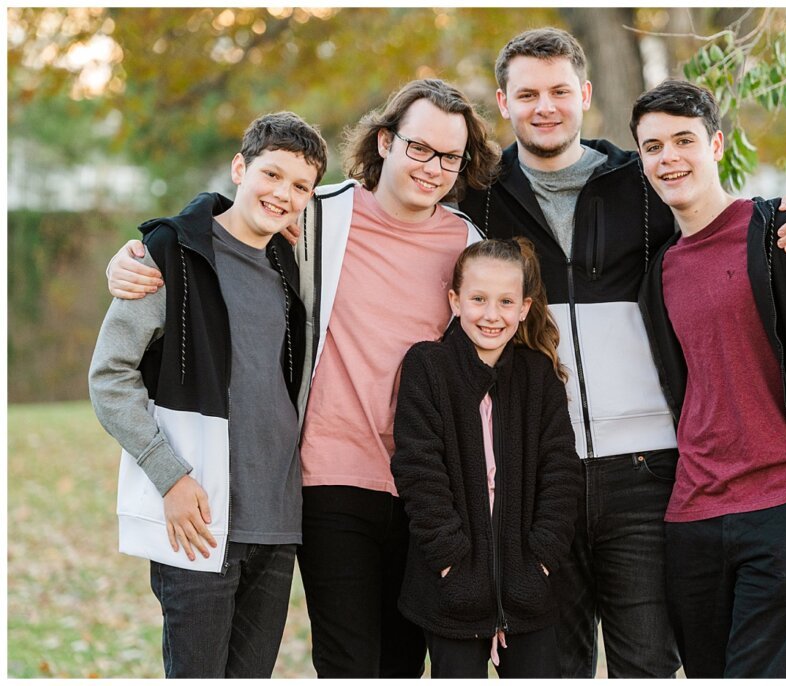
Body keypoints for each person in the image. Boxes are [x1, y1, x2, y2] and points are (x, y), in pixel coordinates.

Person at [457, 27, 786, 678]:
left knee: (647, 665)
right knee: (541, 667)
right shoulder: (477, 197)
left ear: (585, 95)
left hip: (646, 475)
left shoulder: (639, 180)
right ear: (504, 103)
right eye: (527, 94)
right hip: (535, 478)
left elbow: (726, 225)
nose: (545, 105)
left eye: (559, 90)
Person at [103, 79, 500, 678]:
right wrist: (139, 251)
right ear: (386, 141)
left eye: (450, 157)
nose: (434, 167)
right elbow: (232, 220)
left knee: (402, 663)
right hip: (330, 476)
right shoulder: (322, 216)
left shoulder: (468, 243)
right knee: (346, 663)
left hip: (426, 486)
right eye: (420, 148)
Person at [632, 78, 786, 677]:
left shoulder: (784, 234)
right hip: (691, 517)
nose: (669, 158)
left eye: (683, 140)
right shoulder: (659, 271)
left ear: (716, 145)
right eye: (652, 147)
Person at [88, 112, 327, 677]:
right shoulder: (171, 254)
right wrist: (169, 475)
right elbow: (109, 375)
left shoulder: (291, 266)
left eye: (300, 187)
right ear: (239, 168)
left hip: (277, 523)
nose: (282, 195)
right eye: (271, 175)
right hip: (197, 517)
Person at [390, 237, 582, 678]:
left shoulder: (539, 375)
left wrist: (542, 560)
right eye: (478, 299)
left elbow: (561, 472)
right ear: (455, 301)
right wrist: (451, 562)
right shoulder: (429, 366)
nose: (491, 315)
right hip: (452, 588)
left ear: (524, 308)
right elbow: (419, 469)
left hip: (529, 586)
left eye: (505, 301)